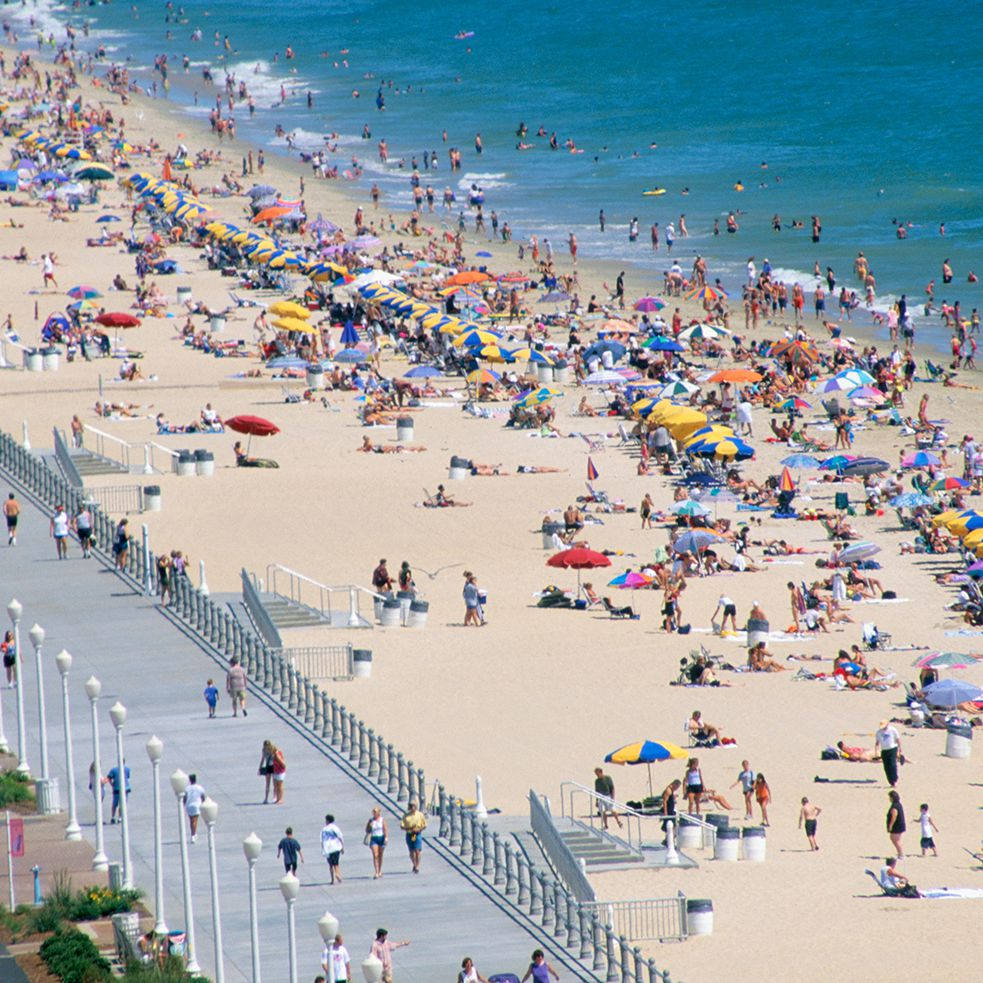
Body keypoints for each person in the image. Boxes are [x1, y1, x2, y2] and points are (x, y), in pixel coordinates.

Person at [400, 800, 427, 873]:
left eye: (414, 805)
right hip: (409, 834)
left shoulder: (420, 815)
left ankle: (417, 866)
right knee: (411, 852)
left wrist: (419, 829)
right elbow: (402, 826)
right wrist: (409, 828)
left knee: (417, 850)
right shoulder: (406, 815)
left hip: (416, 834)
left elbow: (424, 825)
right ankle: (414, 864)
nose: (412, 807)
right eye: (411, 806)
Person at [875, 719, 901, 787]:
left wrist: (900, 749)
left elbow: (898, 739)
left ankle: (895, 780)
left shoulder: (893, 730)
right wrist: (876, 752)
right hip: (884, 750)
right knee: (886, 767)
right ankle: (891, 782)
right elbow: (877, 743)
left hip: (892, 749)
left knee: (892, 764)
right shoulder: (879, 732)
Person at [321, 813, 345, 884]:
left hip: (327, 849)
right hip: (335, 847)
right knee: (336, 863)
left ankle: (332, 880)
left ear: (327, 821)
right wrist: (342, 847)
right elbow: (340, 837)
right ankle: (338, 874)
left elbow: (322, 840)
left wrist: (323, 849)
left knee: (330, 865)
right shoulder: (335, 827)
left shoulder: (324, 829)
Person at [366, 806, 388, 879]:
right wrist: (369, 826)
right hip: (374, 838)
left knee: (380, 855)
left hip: (381, 837)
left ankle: (380, 870)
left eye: (375, 811)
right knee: (375, 855)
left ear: (379, 812)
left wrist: (386, 838)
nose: (374, 813)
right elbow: (367, 830)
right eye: (373, 811)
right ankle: (376, 872)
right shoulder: (371, 820)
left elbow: (385, 829)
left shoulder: (382, 820)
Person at [106, 759, 131, 824]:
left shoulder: (113, 770)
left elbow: (109, 778)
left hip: (117, 789)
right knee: (122, 804)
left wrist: (112, 785)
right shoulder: (127, 769)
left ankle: (113, 817)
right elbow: (128, 778)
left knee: (115, 804)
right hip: (125, 788)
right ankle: (120, 817)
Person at [185, 774, 205, 843]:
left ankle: (193, 834)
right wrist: (203, 803)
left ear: (190, 780)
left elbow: (185, 797)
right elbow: (203, 797)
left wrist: (184, 804)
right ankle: (193, 835)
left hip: (189, 805)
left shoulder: (187, 788)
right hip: (197, 805)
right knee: (195, 820)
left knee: (191, 820)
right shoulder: (199, 788)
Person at [887, 789, 906, 858]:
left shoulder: (894, 806)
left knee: (895, 839)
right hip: (900, 825)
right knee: (896, 839)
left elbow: (894, 816)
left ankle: (901, 854)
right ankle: (900, 853)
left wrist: (890, 826)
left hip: (897, 826)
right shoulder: (898, 804)